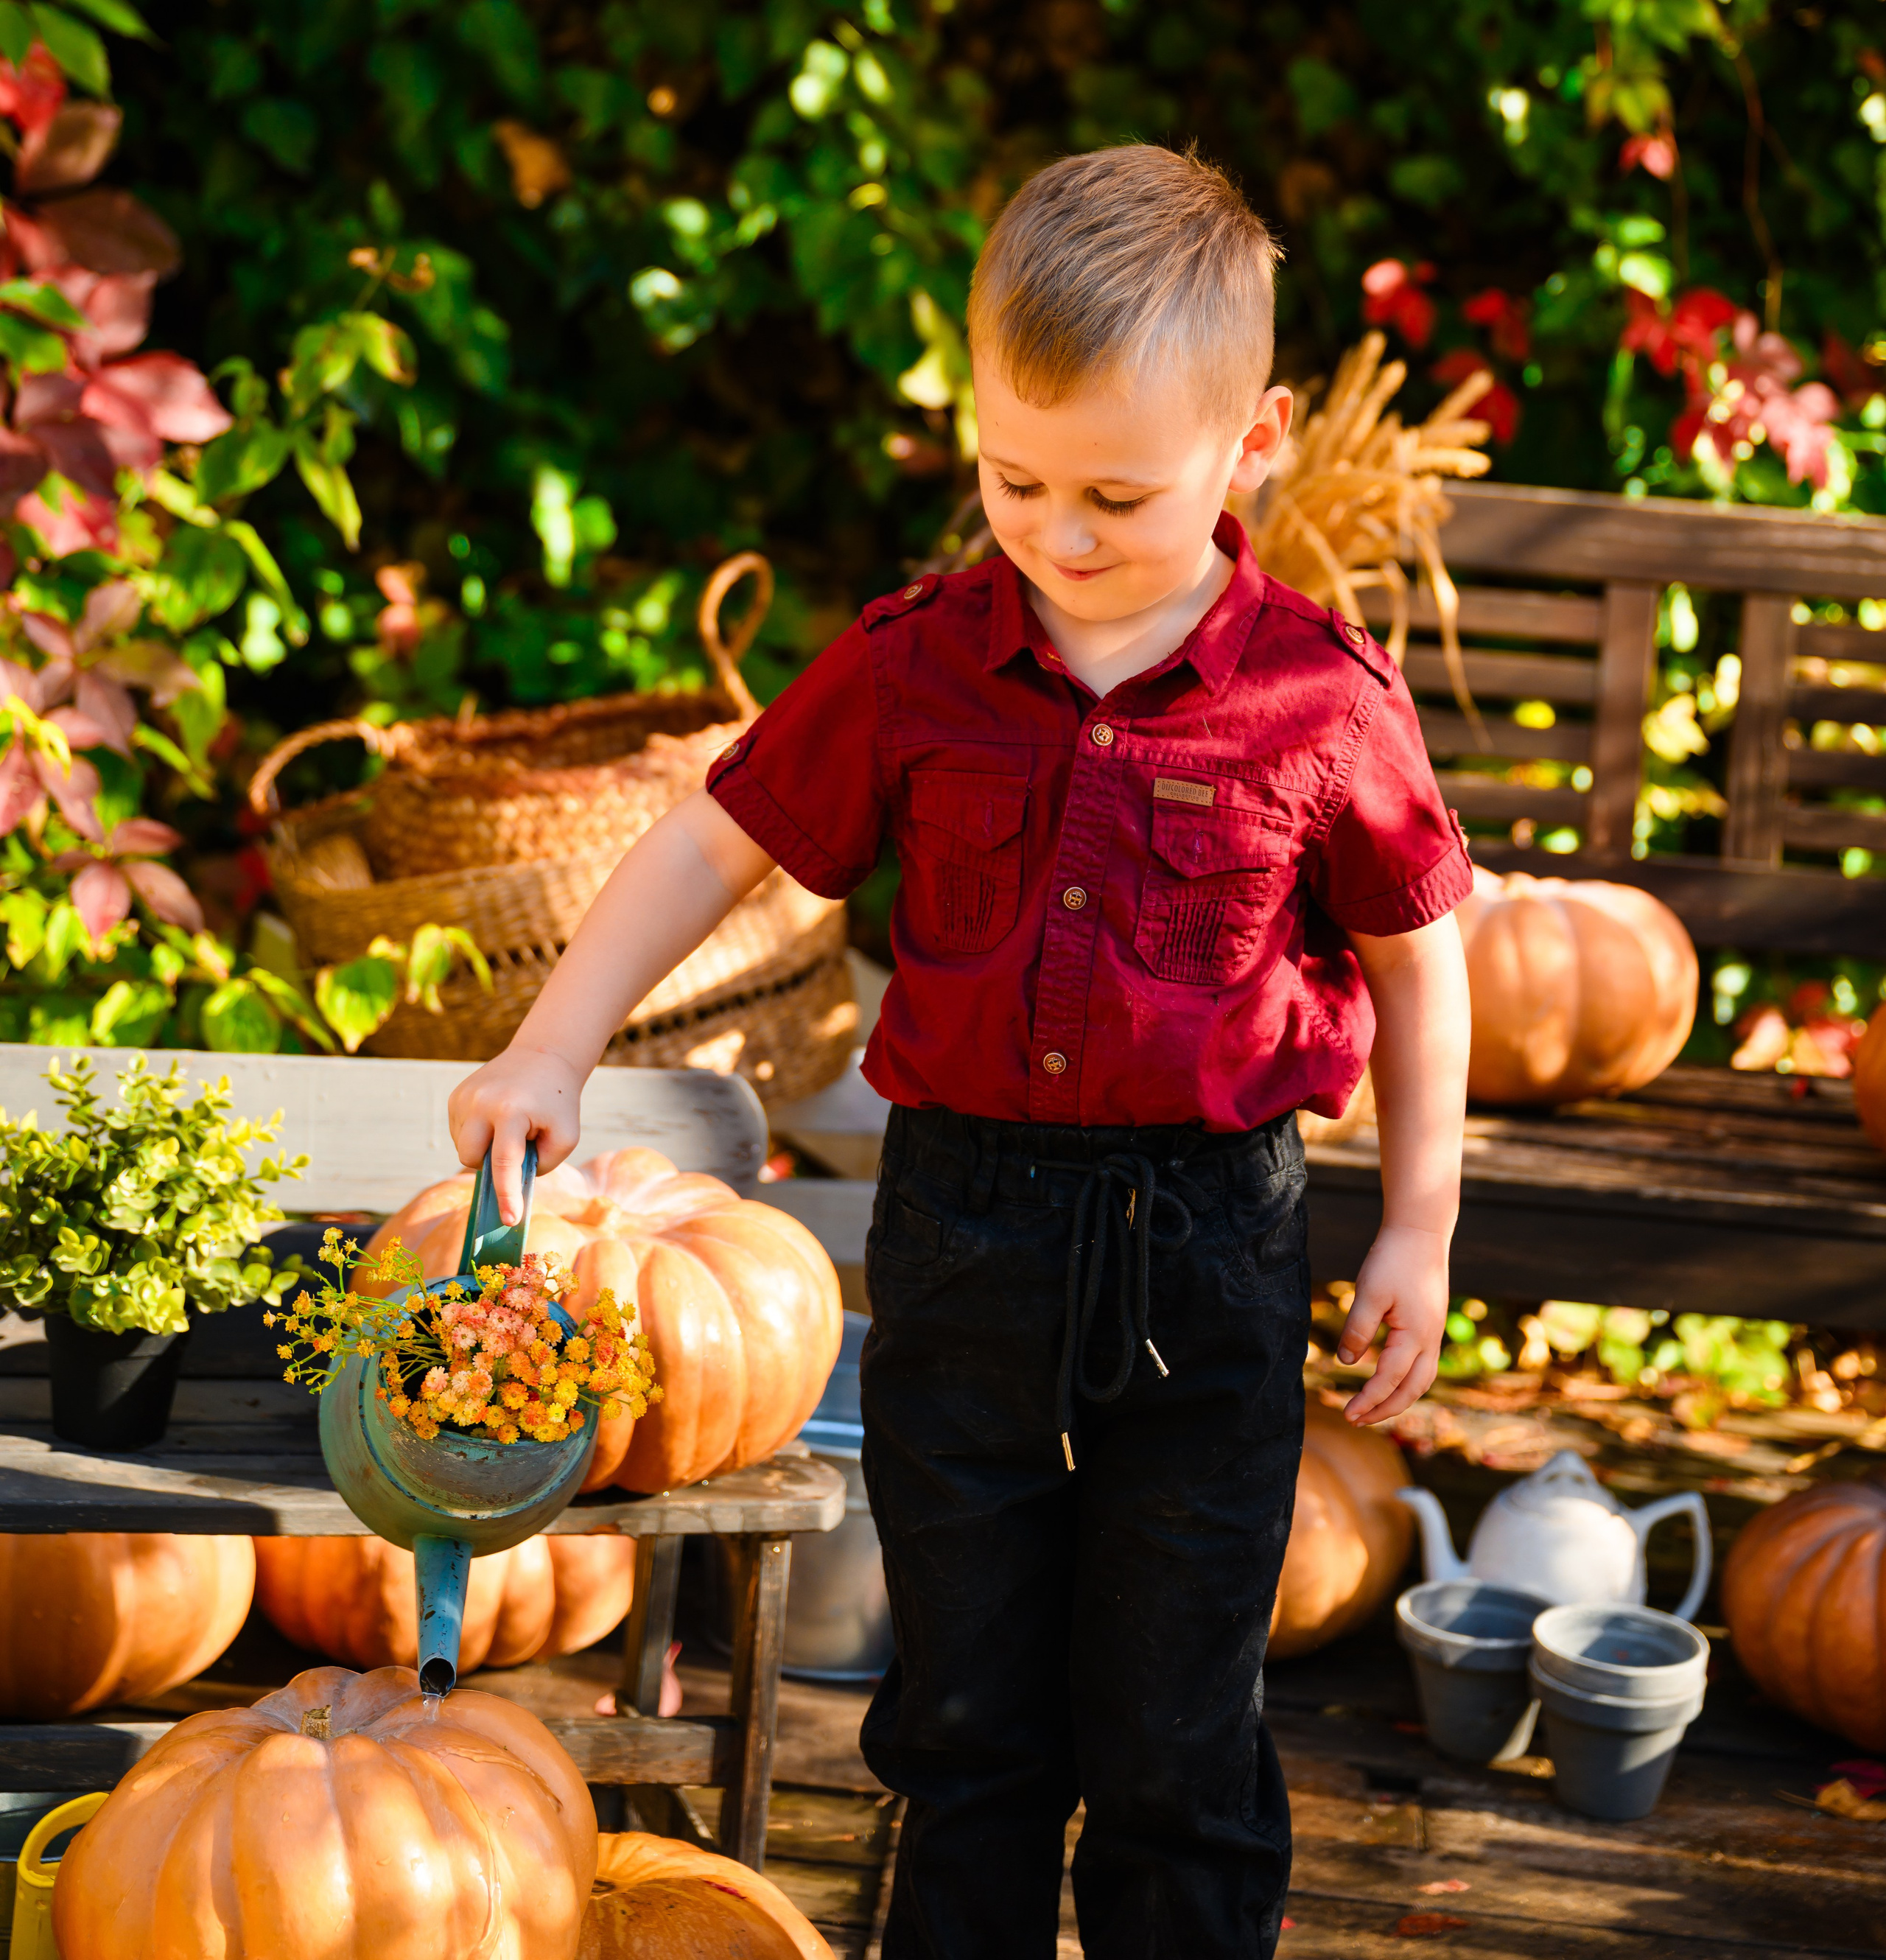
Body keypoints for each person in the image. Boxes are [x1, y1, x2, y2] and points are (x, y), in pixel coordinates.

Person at [449, 143, 1471, 1960]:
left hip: (1208, 1254)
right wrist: (549, 1047)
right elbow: (711, 839)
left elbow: (1415, 952)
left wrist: (1417, 1223)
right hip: (965, 1236)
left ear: (1251, 446)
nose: (1058, 533)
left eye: (1115, 496)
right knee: (967, 1721)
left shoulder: (1319, 697)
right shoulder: (913, 663)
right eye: (1014, 478)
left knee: (1174, 1735)